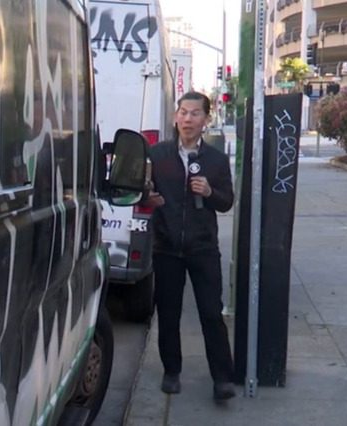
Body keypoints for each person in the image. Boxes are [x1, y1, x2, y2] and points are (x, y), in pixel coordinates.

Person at [142, 91, 236, 400]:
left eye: (195, 113)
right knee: (168, 314)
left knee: (211, 312)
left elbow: (226, 202)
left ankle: (222, 378)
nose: (187, 119)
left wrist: (209, 191)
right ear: (175, 117)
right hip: (166, 247)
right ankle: (172, 371)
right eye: (183, 112)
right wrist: (149, 199)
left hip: (203, 249)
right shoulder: (157, 155)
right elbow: (143, 194)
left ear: (206, 120)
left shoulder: (217, 160)